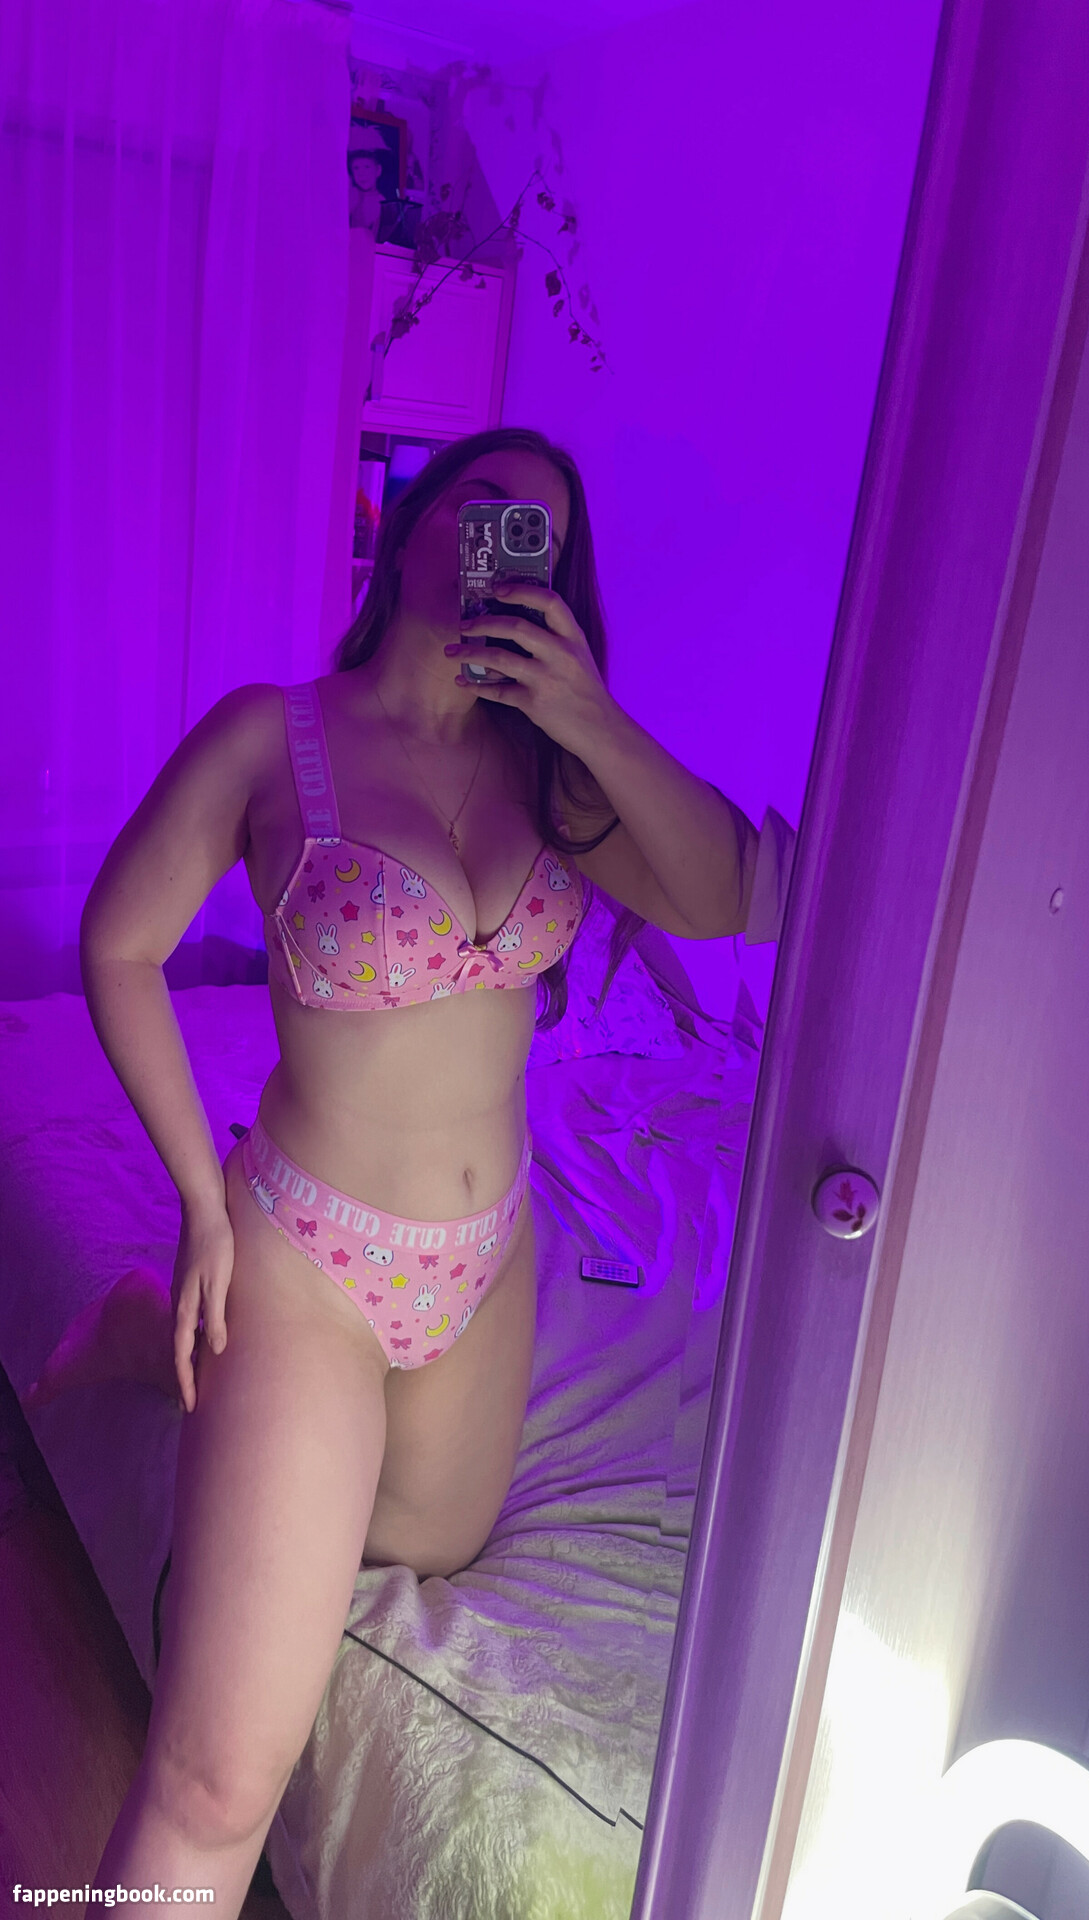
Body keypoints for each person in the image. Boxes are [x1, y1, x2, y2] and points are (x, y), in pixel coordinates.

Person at [31, 427, 760, 1910]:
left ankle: (169, 1357)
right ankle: (174, 1331)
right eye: (483, 507)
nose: (506, 547)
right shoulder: (273, 738)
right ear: (414, 521)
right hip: (306, 1253)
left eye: (542, 536)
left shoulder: (555, 776)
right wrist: (197, 1202)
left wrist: (590, 714)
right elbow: (118, 943)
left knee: (430, 1537)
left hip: (488, 1261)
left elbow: (726, 897)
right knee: (214, 1780)